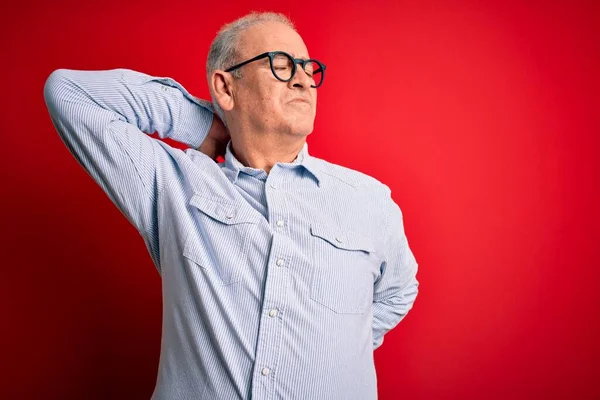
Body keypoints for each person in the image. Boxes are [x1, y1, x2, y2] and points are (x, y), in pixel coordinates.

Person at [43, 11, 419, 400]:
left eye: (309, 68)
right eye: (282, 64)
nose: (304, 79)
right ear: (225, 87)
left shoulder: (368, 199)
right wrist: (204, 124)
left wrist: (341, 346)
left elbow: (398, 292)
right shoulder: (174, 185)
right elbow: (68, 93)